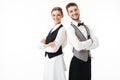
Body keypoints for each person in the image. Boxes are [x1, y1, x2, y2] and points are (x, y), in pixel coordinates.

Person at [65, 2, 99, 80]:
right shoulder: (70, 28)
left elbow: (97, 43)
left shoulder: (87, 27)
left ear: (79, 10)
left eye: (75, 10)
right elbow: (78, 46)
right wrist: (90, 41)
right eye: (71, 11)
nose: (74, 13)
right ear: (68, 14)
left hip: (88, 62)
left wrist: (82, 45)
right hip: (77, 62)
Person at [40, 7, 67, 80]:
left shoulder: (62, 30)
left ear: (62, 16)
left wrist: (44, 46)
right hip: (48, 60)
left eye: (58, 15)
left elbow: (54, 49)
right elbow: (39, 45)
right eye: (54, 15)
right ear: (51, 16)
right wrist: (47, 45)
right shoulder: (51, 29)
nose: (56, 17)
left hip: (56, 60)